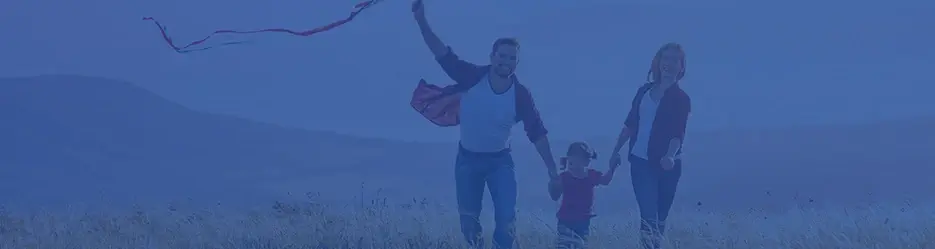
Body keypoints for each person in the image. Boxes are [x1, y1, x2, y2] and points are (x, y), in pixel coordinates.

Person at [408, 0, 560, 248]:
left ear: (516, 63)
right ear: (492, 57)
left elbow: (537, 133)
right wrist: (422, 21)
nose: (506, 62)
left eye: (512, 58)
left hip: (500, 163)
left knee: (506, 219)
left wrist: (553, 173)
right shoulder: (471, 77)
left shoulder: (520, 95)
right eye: (502, 56)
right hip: (467, 161)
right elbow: (441, 53)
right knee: (469, 221)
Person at [608, 43, 691, 249]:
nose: (669, 63)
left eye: (675, 60)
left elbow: (677, 133)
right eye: (666, 58)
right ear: (658, 61)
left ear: (681, 67)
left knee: (660, 219)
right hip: (641, 162)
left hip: (668, 167)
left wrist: (670, 156)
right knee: (649, 217)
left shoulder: (681, 99)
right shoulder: (643, 91)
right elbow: (629, 124)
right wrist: (616, 151)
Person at [549, 142, 618, 249]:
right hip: (567, 220)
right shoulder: (565, 177)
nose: (571, 165)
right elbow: (555, 195)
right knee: (566, 246)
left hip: (582, 220)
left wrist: (613, 168)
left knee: (579, 245)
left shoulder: (588, 175)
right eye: (570, 162)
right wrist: (554, 181)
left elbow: (605, 180)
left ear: (586, 162)